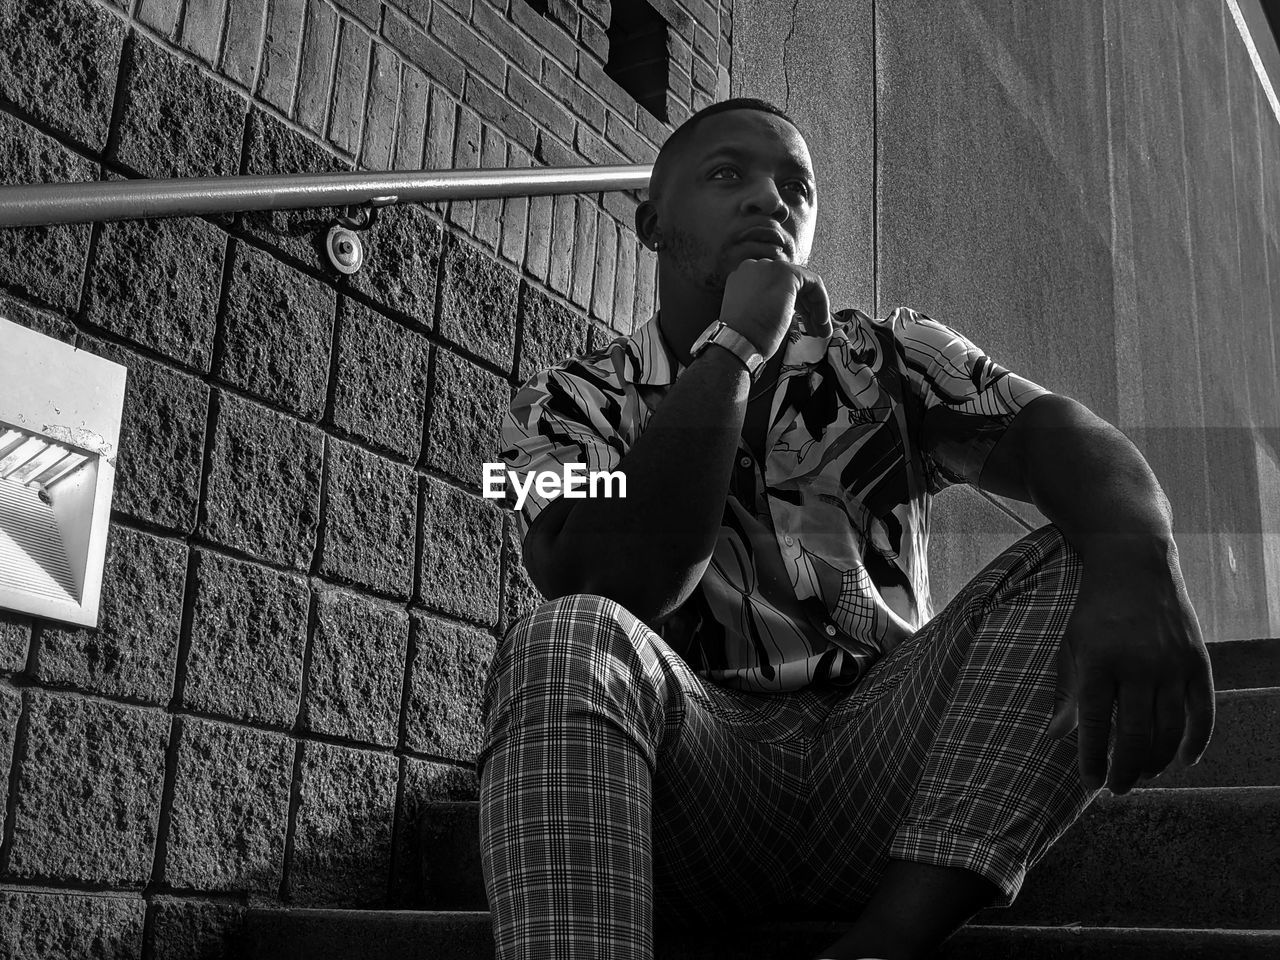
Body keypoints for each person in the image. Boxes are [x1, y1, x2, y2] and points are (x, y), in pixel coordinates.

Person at [475, 97, 1214, 960]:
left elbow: (1056, 436)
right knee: (563, 637)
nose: (769, 202)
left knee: (1093, 544)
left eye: (797, 187)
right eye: (727, 176)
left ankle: (885, 943)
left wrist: (1141, 555)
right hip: (696, 783)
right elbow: (610, 576)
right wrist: (737, 347)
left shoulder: (887, 356)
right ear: (651, 223)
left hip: (888, 762)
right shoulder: (562, 403)